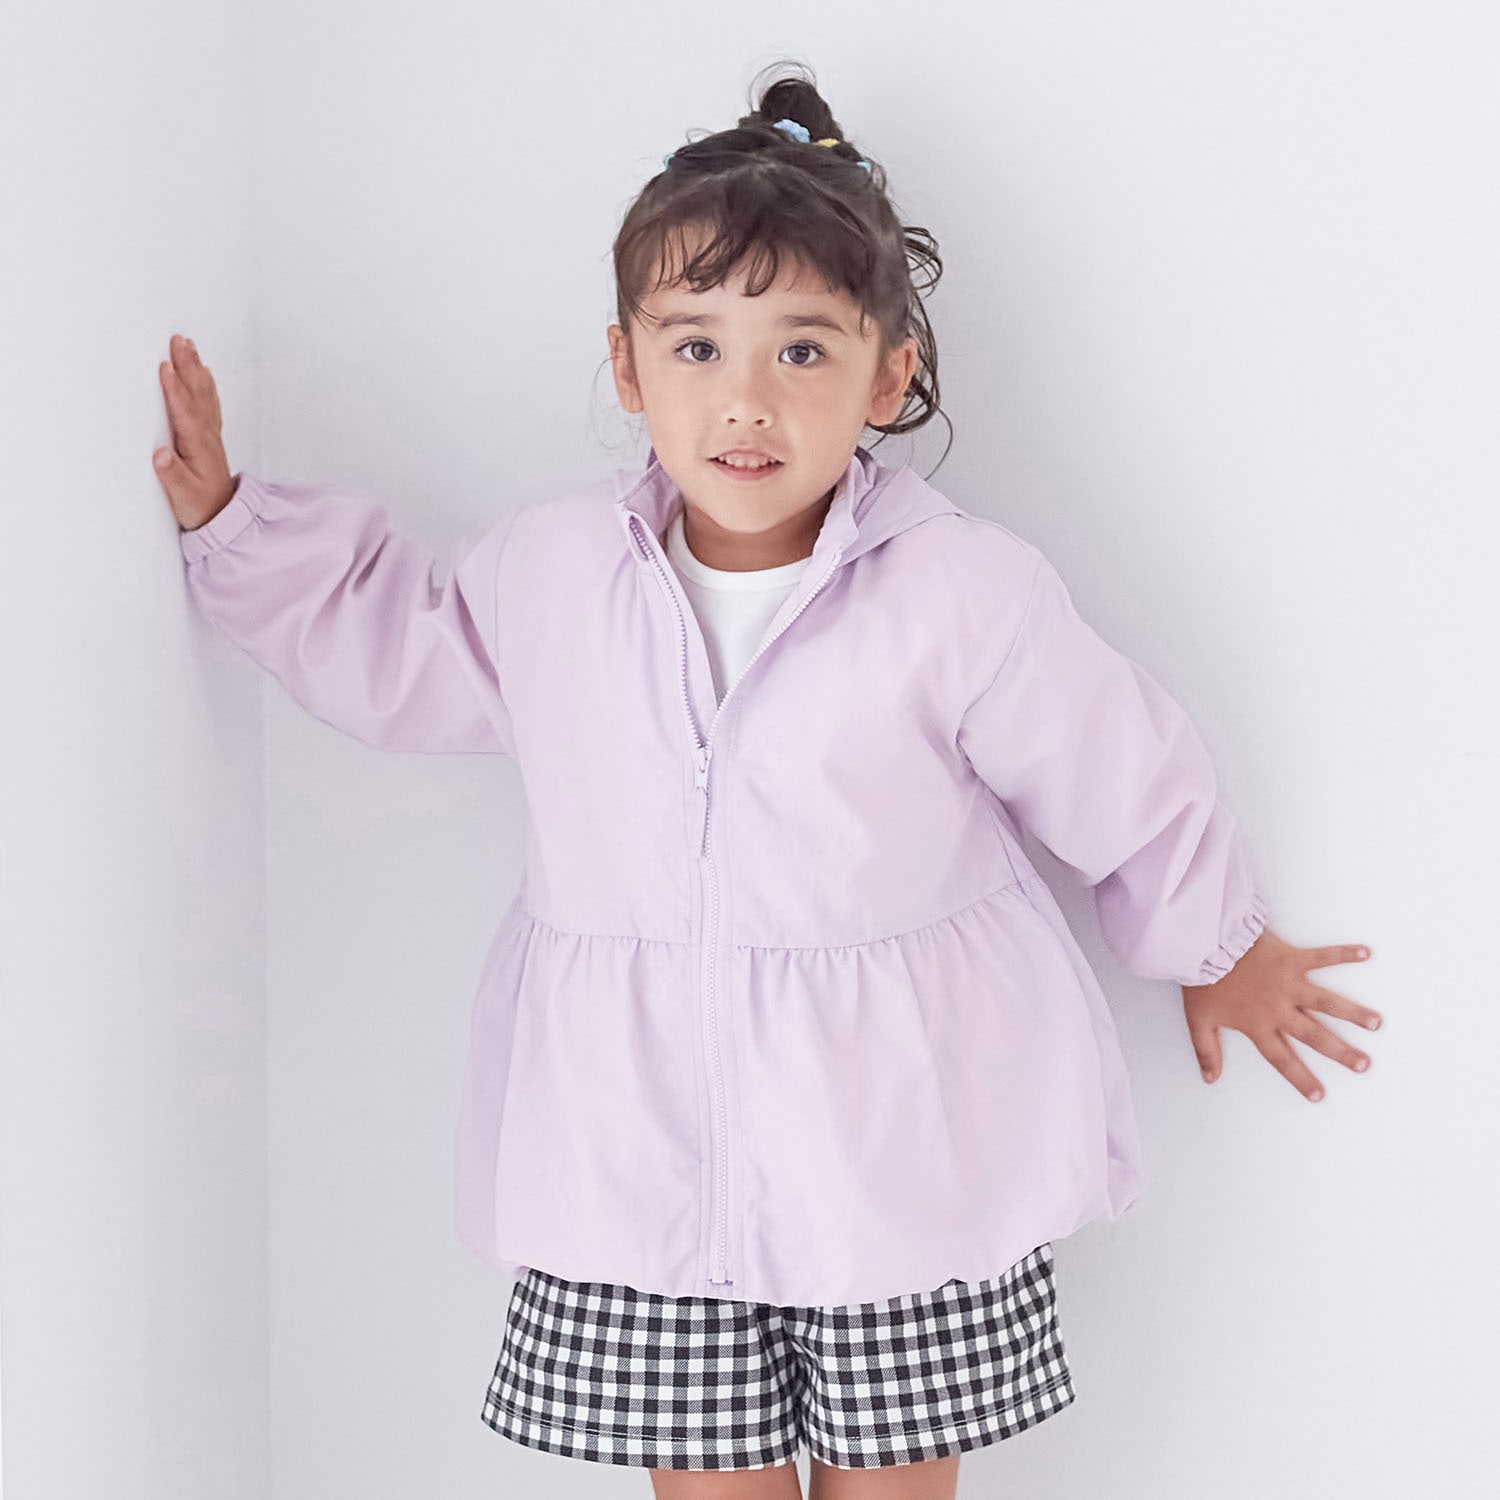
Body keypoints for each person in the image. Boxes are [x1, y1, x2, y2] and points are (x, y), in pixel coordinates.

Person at [153, 60, 1381, 1500]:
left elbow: (1111, 762)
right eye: (695, 347)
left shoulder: (958, 593)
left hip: (900, 1157)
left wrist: (1219, 944)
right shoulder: (556, 578)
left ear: (887, 375)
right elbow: (401, 647)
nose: (744, 402)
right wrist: (237, 530)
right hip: (641, 1163)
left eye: (801, 351)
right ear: (627, 368)